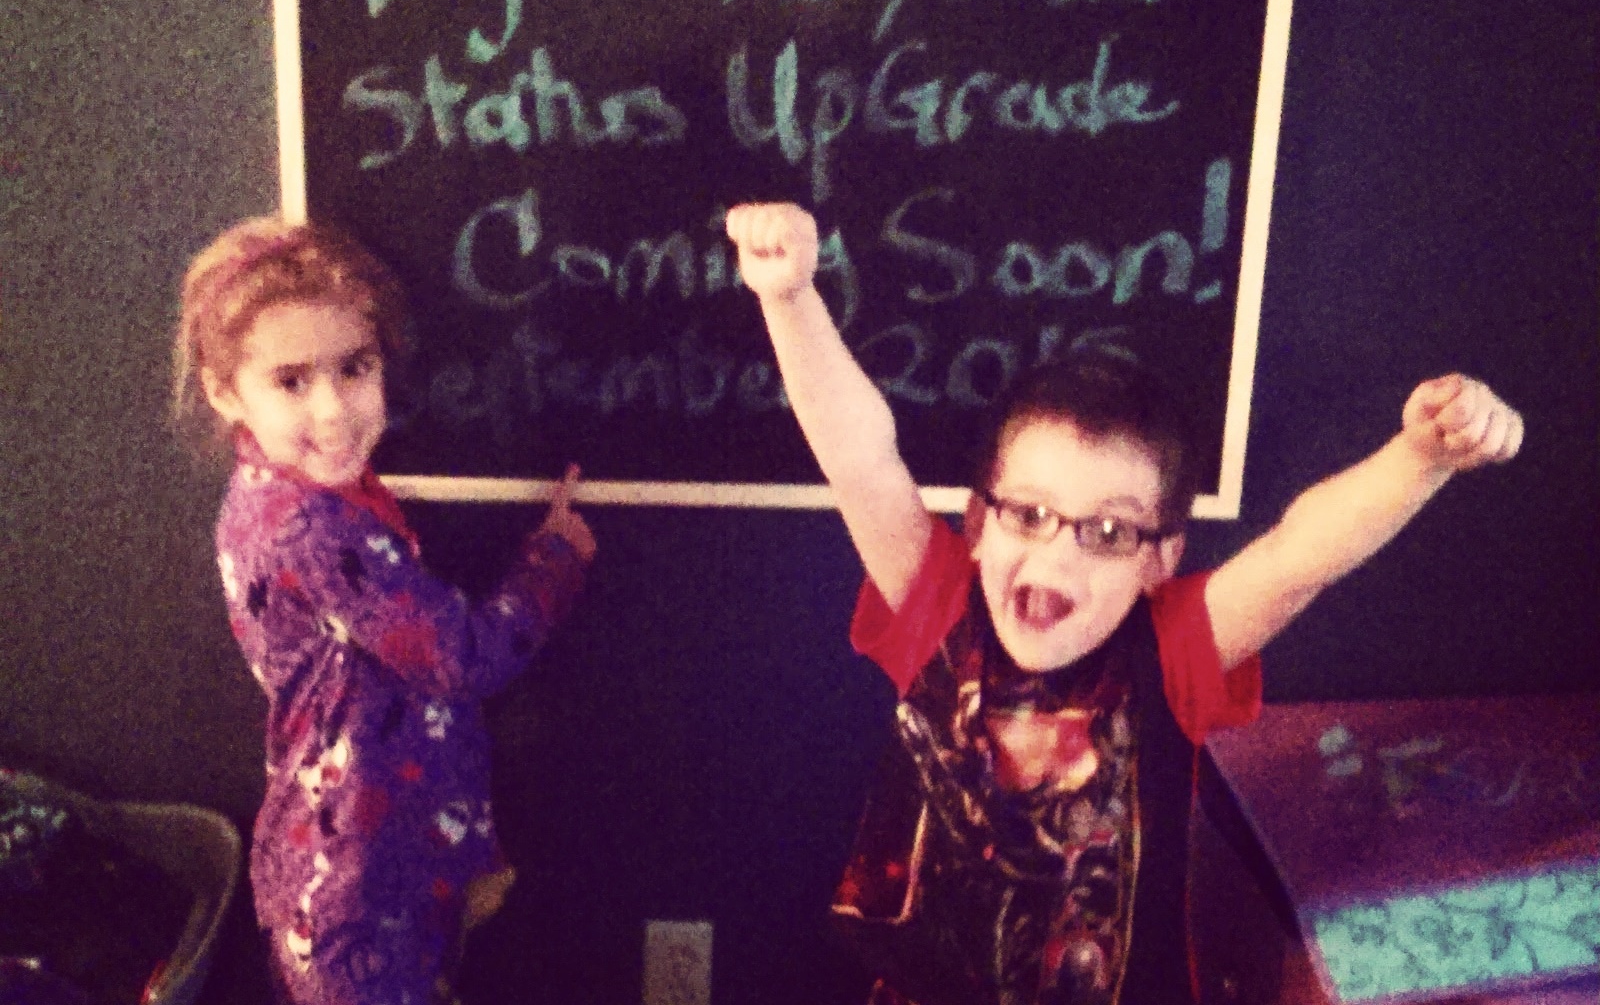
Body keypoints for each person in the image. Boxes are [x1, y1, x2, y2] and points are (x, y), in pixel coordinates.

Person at [725, 201, 1523, 1005]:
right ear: (979, 524)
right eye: (1028, 513)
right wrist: (789, 298)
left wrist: (1421, 457)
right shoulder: (936, 605)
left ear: (1158, 559)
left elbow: (1300, 555)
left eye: (1107, 531)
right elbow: (860, 457)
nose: (1057, 553)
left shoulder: (1174, 653)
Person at [174, 216, 595, 1005]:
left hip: (360, 852)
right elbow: (463, 658)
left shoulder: (276, 491)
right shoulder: (311, 527)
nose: (334, 411)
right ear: (224, 391)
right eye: (291, 381)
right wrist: (554, 561)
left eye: (355, 367)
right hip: (361, 885)